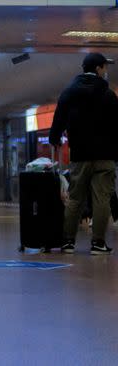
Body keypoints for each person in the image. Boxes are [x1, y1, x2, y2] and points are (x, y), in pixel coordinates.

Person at [50, 52, 118, 255]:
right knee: (102, 199)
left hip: (79, 154)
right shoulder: (108, 94)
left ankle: (68, 242)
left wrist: (55, 139)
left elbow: (58, 121)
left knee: (75, 198)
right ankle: (98, 243)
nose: (106, 71)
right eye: (105, 67)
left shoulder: (69, 92)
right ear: (98, 69)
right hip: (104, 155)